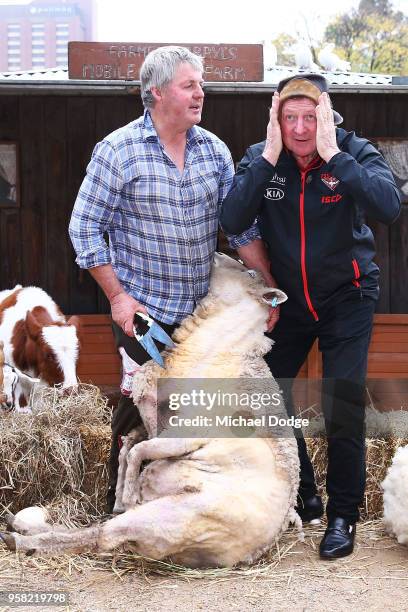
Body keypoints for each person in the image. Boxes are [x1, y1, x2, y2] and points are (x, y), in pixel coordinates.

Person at [220, 73, 401, 559]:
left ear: (327, 117)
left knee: (342, 405)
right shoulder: (263, 158)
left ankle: (343, 517)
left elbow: (388, 205)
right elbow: (232, 218)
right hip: (291, 301)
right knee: (267, 394)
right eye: (289, 117)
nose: (300, 129)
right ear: (277, 119)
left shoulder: (353, 151)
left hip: (349, 297)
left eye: (310, 117)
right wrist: (268, 157)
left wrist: (335, 154)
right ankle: (305, 491)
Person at [69, 46, 234, 513]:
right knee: (137, 411)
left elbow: (241, 228)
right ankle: (117, 511)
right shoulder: (118, 150)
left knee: (195, 414)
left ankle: (184, 509)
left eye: (201, 84)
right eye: (189, 85)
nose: (200, 93)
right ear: (156, 93)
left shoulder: (214, 150)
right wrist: (118, 297)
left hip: (200, 318)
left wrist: (263, 286)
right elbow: (83, 227)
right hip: (142, 313)